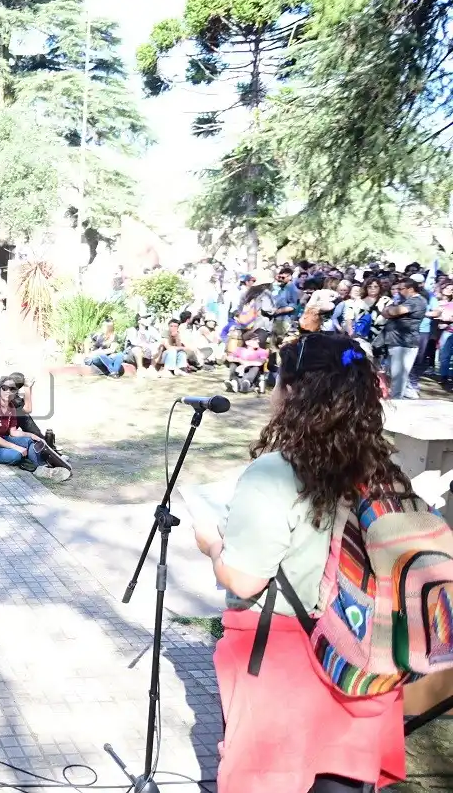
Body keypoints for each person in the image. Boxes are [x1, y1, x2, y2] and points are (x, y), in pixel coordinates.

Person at [192, 334, 405, 793]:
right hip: (365, 653)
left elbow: (245, 580)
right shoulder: (380, 466)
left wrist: (211, 544)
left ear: (293, 392)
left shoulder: (275, 472)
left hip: (289, 659)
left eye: (276, 381)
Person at [0, 378, 69, 480]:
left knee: (29, 441)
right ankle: (39, 469)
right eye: (4, 388)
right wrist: (16, 447)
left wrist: (31, 435)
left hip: (0, 439)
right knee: (16, 455)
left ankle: (42, 466)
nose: (8, 391)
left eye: (12, 389)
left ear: (16, 392)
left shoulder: (11, 407)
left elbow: (13, 432)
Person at [382, 277, 426, 399]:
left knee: (398, 378)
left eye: (401, 289)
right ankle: (411, 397)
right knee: (395, 375)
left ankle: (397, 402)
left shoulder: (416, 301)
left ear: (410, 289)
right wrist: (388, 310)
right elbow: (386, 313)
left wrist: (388, 309)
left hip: (405, 344)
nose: (398, 291)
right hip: (396, 342)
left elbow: (395, 311)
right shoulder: (406, 300)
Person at [225, 330, 269, 395]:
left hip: (253, 375)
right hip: (240, 371)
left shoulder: (262, 351)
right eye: (255, 339)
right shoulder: (239, 349)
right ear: (247, 342)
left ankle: (247, 383)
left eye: (258, 339)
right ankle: (234, 381)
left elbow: (261, 362)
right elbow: (229, 358)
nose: (258, 341)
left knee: (256, 367)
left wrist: (247, 364)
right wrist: (240, 361)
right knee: (233, 364)